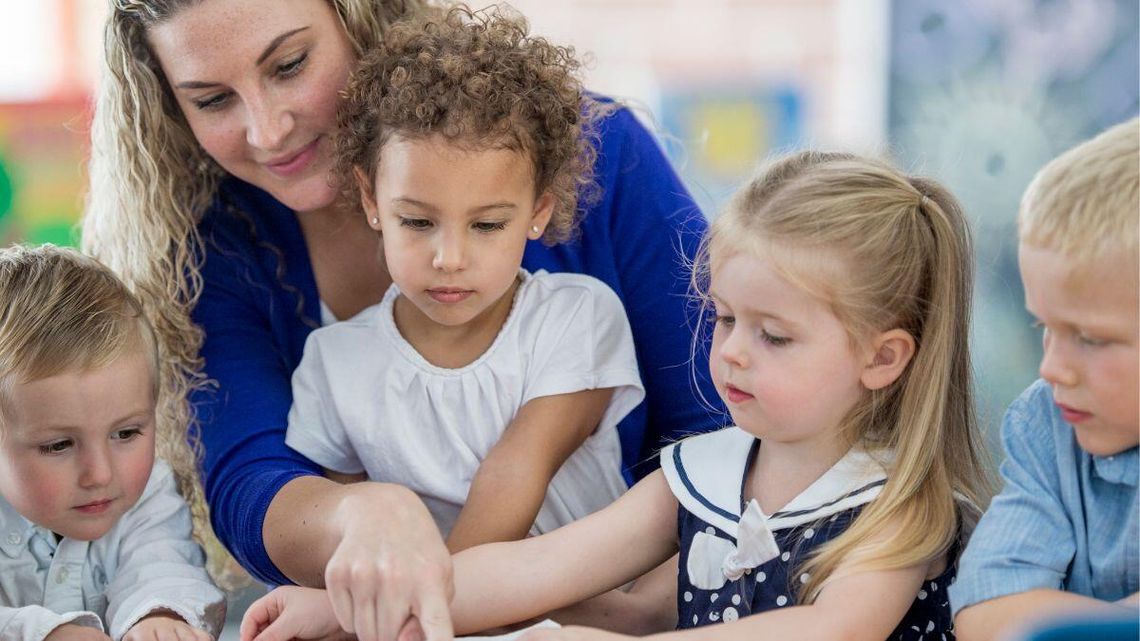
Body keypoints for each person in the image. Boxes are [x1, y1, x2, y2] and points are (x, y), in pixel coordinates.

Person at [82, 0, 722, 637]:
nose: (267, 129)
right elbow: (252, 483)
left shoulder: (586, 158)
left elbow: (723, 428)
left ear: (358, 17)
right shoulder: (219, 249)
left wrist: (646, 609)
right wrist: (359, 518)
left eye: (290, 64)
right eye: (212, 100)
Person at [240, 150, 994, 641]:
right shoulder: (696, 474)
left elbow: (834, 631)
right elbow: (546, 573)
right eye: (726, 317)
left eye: (775, 335)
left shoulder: (900, 502)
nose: (729, 349)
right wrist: (352, 612)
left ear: (882, 357)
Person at [285, 5, 644, 553]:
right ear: (370, 199)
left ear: (537, 212)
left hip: (583, 613)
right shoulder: (334, 365)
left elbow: (514, 475)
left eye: (487, 225)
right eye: (418, 221)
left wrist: (428, 603)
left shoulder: (577, 318)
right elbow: (351, 535)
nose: (449, 257)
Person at [949, 118, 1139, 641]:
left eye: (1092, 338)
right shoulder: (1048, 425)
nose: (1051, 367)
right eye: (1044, 328)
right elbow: (987, 616)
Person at [0, 245, 225, 641]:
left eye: (126, 434)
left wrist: (157, 616)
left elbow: (162, 564)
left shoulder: (148, 493)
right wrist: (46, 634)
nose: (100, 474)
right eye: (58, 445)